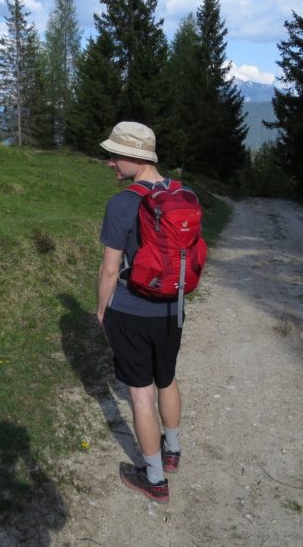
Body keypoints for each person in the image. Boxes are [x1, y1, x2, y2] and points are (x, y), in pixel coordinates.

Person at [96, 121, 184, 503]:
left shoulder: (121, 204)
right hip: (173, 310)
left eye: (115, 155)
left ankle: (154, 479)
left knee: (141, 395)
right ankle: (172, 451)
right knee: (167, 378)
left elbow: (110, 269)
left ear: (136, 157)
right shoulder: (183, 194)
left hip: (132, 313)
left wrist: (102, 311)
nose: (110, 162)